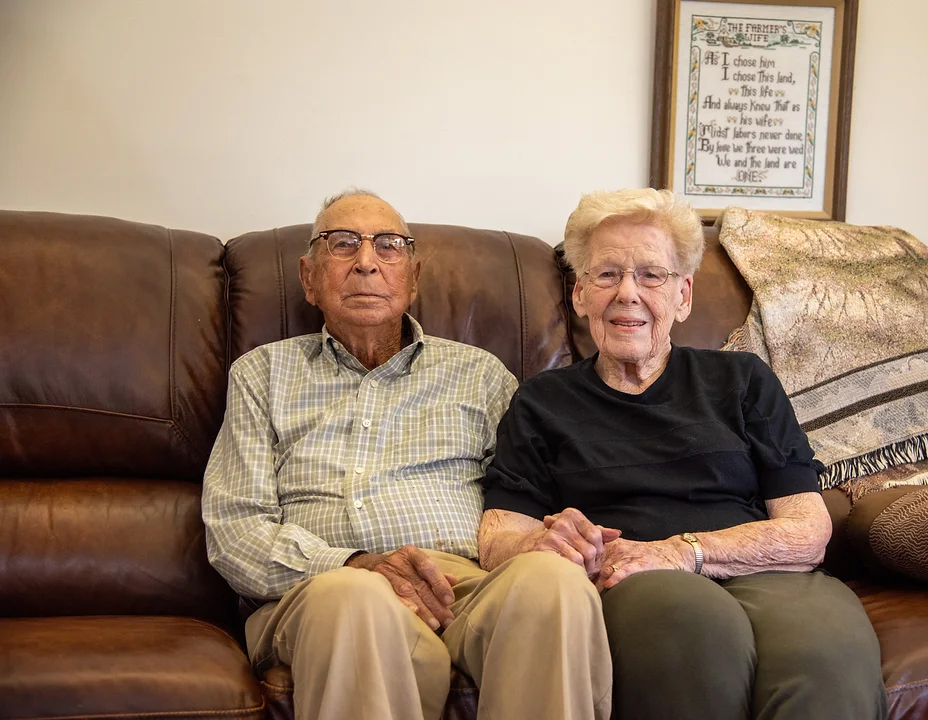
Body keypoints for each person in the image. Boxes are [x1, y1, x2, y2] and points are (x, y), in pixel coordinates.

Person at [202, 189, 613, 720]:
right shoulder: (262, 374)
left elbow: (531, 494)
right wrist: (353, 564)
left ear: (413, 277)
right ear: (309, 277)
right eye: (342, 244)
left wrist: (553, 533)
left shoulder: (480, 374)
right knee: (353, 600)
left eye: (389, 246)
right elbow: (236, 531)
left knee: (553, 582)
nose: (367, 263)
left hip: (466, 585)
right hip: (324, 586)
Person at [478, 188, 888, 720]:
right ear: (580, 294)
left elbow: (807, 531)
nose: (628, 292)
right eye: (606, 275)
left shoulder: (742, 380)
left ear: (684, 295)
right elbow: (496, 538)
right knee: (691, 628)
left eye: (651, 275)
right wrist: (544, 541)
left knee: (826, 658)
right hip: (636, 580)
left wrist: (685, 549)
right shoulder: (542, 401)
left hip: (765, 572)